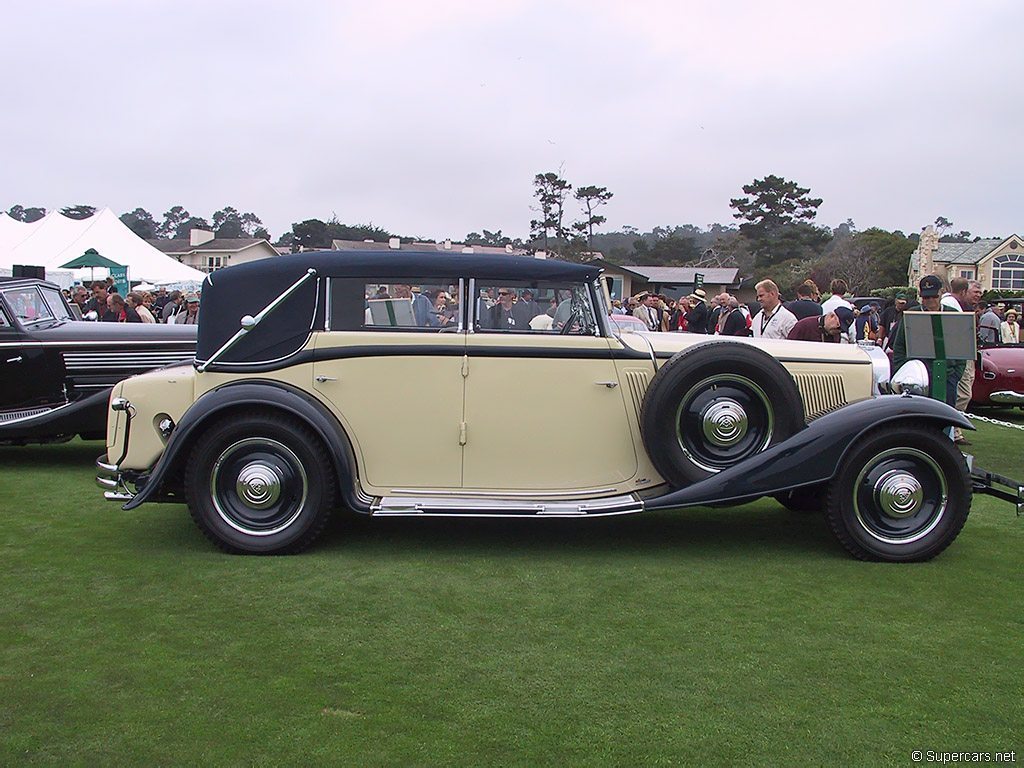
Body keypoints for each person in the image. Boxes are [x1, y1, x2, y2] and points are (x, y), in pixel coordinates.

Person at [891, 274, 965, 416]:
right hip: (918, 378)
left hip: (947, 376)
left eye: (934, 297)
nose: (930, 301)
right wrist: (903, 370)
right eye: (926, 297)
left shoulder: (952, 314)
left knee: (946, 417)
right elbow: (899, 346)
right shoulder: (911, 315)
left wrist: (956, 374)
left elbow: (961, 348)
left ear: (940, 294)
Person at [787, 307, 854, 343]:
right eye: (838, 326)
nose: (838, 331)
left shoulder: (836, 335)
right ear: (831, 316)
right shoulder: (803, 326)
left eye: (841, 330)